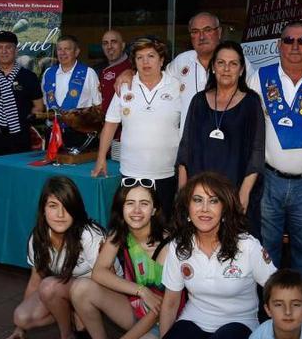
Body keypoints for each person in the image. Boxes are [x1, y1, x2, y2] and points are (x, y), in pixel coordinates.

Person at [147, 172, 277, 339]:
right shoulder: (179, 246)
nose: (204, 209)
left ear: (225, 208)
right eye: (197, 200)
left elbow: (276, 288)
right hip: (196, 319)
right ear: (187, 208)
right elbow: (171, 302)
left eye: (213, 201)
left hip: (239, 322)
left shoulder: (247, 245)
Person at [247, 20, 302, 280]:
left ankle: (300, 309)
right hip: (268, 179)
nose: (295, 46)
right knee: (266, 249)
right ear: (279, 45)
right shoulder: (260, 78)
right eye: (289, 40)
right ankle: (268, 307)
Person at [69, 180, 172, 339]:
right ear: (121, 208)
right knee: (80, 288)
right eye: (130, 203)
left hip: (159, 325)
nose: (136, 211)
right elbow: (98, 272)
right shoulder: (120, 234)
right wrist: (140, 289)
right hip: (135, 310)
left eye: (144, 204)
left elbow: (158, 312)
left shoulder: (168, 244)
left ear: (154, 209)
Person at [2, 176, 105, 339]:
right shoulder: (38, 238)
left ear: (75, 208)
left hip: (98, 292)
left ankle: (80, 324)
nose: (60, 214)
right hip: (68, 289)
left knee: (53, 287)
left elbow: (107, 279)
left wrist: (81, 307)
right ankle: (69, 337)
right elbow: (35, 280)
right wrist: (20, 329)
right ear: (43, 209)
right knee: (22, 317)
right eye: (52, 205)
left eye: (66, 206)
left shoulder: (89, 235)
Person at [176, 40, 264, 234]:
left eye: (233, 64)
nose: (226, 69)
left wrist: (244, 193)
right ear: (213, 67)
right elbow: (185, 147)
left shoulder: (251, 102)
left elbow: (257, 151)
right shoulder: (198, 100)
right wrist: (183, 191)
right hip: (199, 193)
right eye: (221, 63)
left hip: (233, 191)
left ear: (241, 70)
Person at [117, 12, 255, 129]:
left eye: (207, 30)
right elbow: (155, 76)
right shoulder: (182, 61)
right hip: (188, 150)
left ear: (219, 32)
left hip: (225, 146)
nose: (201, 36)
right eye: (195, 32)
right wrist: (130, 72)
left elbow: (254, 102)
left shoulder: (238, 63)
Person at [92, 38, 182, 217]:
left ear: (162, 60)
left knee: (164, 229)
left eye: (151, 56)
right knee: (129, 227)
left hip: (165, 173)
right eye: (139, 57)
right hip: (131, 174)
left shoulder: (177, 87)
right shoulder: (124, 86)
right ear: (134, 62)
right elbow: (110, 124)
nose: (145, 62)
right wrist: (101, 157)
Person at [0, 30, 42, 157]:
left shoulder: (29, 77)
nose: (4, 51)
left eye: (8, 47)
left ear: (16, 51)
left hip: (20, 135)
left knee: (19, 173)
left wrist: (21, 120)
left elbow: (38, 106)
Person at [98, 29, 130, 116]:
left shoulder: (133, 68)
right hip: (105, 125)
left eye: (114, 42)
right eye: (105, 43)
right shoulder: (99, 69)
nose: (109, 46)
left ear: (122, 45)